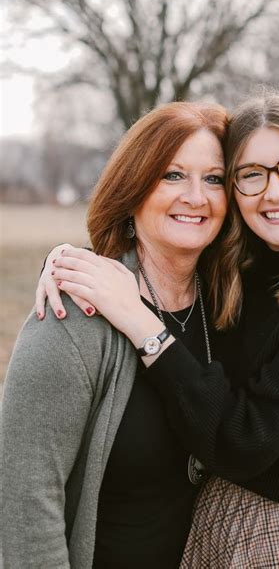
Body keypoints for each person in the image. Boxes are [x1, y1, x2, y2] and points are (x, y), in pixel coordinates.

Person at [31, 92, 279, 567]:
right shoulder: (236, 275)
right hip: (217, 530)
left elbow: (245, 438)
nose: (274, 191)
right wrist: (65, 264)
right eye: (251, 174)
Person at [0, 101, 229, 568]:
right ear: (134, 187)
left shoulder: (230, 309)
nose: (195, 196)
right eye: (171, 175)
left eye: (214, 179)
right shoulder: (75, 314)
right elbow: (25, 495)